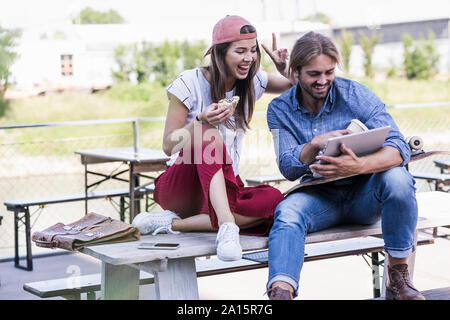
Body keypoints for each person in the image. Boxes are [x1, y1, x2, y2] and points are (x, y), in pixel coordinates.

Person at [265, 31, 424, 300]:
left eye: (329, 71)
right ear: (296, 72)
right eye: (314, 73)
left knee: (399, 179)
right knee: (288, 211)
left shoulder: (354, 94)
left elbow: (399, 147)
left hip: (366, 196)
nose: (323, 80)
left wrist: (357, 166)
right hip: (318, 197)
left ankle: (398, 279)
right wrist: (314, 144)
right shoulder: (279, 109)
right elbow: (288, 167)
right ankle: (282, 292)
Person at [133, 15, 293, 262]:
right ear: (219, 54)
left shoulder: (252, 81)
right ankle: (227, 227)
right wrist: (201, 121)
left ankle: (173, 223)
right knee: (207, 134)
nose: (249, 58)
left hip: (225, 187)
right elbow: (168, 145)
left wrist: (287, 70)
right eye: (240, 51)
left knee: (275, 201)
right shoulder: (188, 82)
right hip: (181, 187)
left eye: (252, 51)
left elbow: (293, 84)